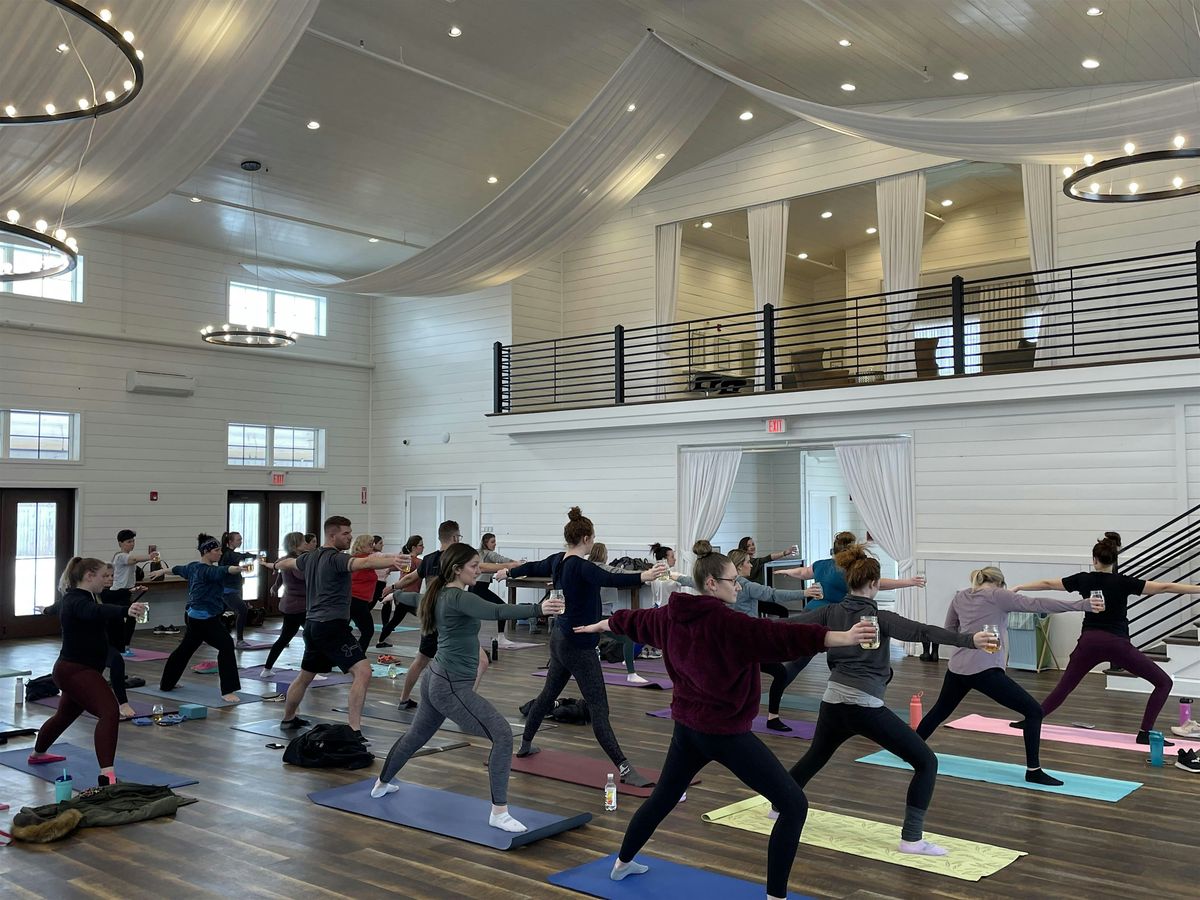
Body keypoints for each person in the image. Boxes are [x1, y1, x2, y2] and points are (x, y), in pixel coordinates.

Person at [572, 549, 874, 897]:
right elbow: (783, 637)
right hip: (725, 734)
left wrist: (601, 624)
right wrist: (843, 638)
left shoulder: (670, 616)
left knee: (663, 798)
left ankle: (621, 864)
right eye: (734, 581)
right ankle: (776, 895)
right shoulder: (730, 624)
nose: (740, 588)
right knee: (794, 805)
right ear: (712, 583)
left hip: (687, 729)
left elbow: (632, 621)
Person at [786, 544, 995, 857]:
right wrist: (969, 640)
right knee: (926, 762)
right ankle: (912, 839)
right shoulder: (878, 617)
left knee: (816, 755)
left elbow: (786, 626)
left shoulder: (829, 612)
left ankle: (779, 803)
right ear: (873, 585)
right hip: (863, 705)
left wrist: (732, 629)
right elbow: (923, 632)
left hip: (832, 701)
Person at [371, 543, 565, 832]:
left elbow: (415, 598)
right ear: (457, 569)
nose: (478, 570)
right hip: (450, 685)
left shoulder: (439, 595)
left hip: (436, 678)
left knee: (415, 736)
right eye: (474, 566)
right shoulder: (458, 598)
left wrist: (394, 594)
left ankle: (381, 784)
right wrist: (539, 608)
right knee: (502, 735)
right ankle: (499, 813)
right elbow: (497, 610)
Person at [516, 507, 666, 787]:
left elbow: (531, 567)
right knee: (599, 709)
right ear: (586, 538)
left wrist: (507, 571)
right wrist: (644, 577)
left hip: (560, 639)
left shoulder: (557, 561)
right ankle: (624, 769)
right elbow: (610, 578)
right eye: (593, 537)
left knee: (548, 694)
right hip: (578, 645)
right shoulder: (582, 566)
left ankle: (525, 744)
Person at [916, 566, 1101, 786]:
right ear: (1001, 583)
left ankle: (910, 748)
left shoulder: (961, 596)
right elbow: (1039, 605)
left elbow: (949, 630)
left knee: (939, 711)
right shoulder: (999, 596)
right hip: (984, 669)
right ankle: (1033, 771)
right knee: (1033, 711)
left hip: (957, 668)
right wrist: (1081, 605)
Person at [1012, 532, 1200, 744]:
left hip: (1089, 643)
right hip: (1116, 644)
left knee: (1063, 687)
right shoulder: (1124, 582)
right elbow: (1166, 587)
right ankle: (1144, 733)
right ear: (1115, 560)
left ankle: (1032, 720)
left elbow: (1048, 583)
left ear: (1094, 560)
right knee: (1163, 683)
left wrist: (1020, 587)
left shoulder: (1083, 579)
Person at [275, 515, 400, 737]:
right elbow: (366, 562)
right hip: (331, 627)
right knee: (363, 672)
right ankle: (354, 730)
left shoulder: (310, 557)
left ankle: (288, 719)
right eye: (346, 533)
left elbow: (288, 563)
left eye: (350, 533)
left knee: (305, 676)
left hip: (313, 626)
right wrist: (394, 561)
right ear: (332, 535)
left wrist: (275, 564)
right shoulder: (336, 559)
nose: (350, 537)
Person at [27, 558, 148, 786]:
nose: (107, 580)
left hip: (76, 670)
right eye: (104, 576)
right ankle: (107, 776)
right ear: (89, 576)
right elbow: (93, 611)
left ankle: (38, 755)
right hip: (75, 671)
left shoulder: (78, 597)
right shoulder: (77, 600)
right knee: (110, 712)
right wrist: (125, 610)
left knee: (64, 716)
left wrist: (46, 609)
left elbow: (58, 608)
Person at [677, 548, 821, 731]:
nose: (751, 564)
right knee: (779, 673)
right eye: (748, 562)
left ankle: (731, 714)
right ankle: (770, 717)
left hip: (732, 642)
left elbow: (693, 581)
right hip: (746, 643)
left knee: (744, 678)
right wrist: (804, 593)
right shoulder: (745, 585)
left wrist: (676, 577)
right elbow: (773, 594)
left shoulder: (719, 583)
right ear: (738, 566)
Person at [394, 521, 488, 709]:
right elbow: (485, 567)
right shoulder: (458, 560)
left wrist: (393, 587)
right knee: (482, 661)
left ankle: (404, 699)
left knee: (421, 659)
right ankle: (465, 702)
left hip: (432, 616)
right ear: (455, 538)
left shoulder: (428, 559)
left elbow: (412, 577)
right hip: (450, 619)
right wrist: (512, 566)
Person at [153, 534, 248, 702]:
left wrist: (162, 570)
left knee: (184, 650)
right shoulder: (206, 570)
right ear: (206, 552)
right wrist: (239, 569)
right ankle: (228, 691)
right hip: (204, 619)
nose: (220, 553)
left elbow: (176, 569)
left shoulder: (193, 567)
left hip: (194, 617)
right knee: (226, 645)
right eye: (217, 550)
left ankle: (166, 684)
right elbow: (225, 570)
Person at [586, 542, 650, 684]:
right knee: (628, 638)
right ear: (603, 554)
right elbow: (621, 573)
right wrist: (645, 574)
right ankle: (631, 673)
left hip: (598, 615)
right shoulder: (602, 569)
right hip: (599, 616)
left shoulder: (587, 568)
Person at [260, 531, 315, 677]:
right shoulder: (295, 561)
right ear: (296, 545)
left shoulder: (285, 560)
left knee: (286, 638)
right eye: (304, 541)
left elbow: (279, 574)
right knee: (311, 638)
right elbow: (301, 576)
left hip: (291, 605)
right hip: (298, 606)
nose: (306, 543)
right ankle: (310, 671)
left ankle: (267, 669)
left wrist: (275, 586)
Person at [102, 529, 159, 657]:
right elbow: (133, 559)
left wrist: (136, 588)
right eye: (129, 541)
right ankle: (118, 646)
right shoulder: (120, 556)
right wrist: (149, 557)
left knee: (132, 618)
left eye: (133, 541)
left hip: (126, 592)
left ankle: (124, 646)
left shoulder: (127, 557)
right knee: (120, 622)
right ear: (120, 543)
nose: (132, 544)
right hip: (117, 593)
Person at [476, 532, 527, 648]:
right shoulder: (488, 553)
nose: (495, 544)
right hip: (480, 588)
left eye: (495, 541)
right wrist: (517, 563)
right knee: (503, 608)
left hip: (474, 588)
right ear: (485, 543)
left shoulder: (477, 553)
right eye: (492, 542)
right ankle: (501, 638)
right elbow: (501, 559)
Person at [377, 535, 424, 648]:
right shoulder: (418, 562)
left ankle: (380, 641)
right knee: (426, 618)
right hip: (409, 597)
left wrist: (388, 570)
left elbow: (393, 567)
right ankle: (426, 647)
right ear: (413, 547)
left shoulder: (406, 559)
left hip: (401, 595)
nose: (423, 547)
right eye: (420, 545)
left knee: (395, 620)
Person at [219, 531, 256, 649]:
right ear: (230, 542)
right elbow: (240, 557)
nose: (241, 541)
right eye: (238, 539)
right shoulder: (227, 554)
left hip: (233, 589)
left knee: (217, 614)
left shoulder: (230, 553)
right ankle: (239, 640)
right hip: (228, 590)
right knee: (242, 610)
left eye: (241, 539)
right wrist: (253, 556)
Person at [350, 533, 381, 653]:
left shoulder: (361, 559)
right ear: (361, 546)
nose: (372, 546)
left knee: (342, 632)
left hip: (356, 600)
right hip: (356, 600)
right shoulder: (365, 560)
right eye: (370, 544)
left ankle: (349, 657)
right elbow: (384, 558)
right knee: (368, 631)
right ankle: (357, 658)